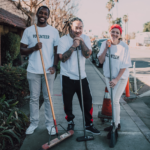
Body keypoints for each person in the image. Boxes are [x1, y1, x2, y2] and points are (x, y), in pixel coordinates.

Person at [20, 6, 60, 135]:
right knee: (34, 98)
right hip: (33, 70)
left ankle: (49, 125)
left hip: (48, 71)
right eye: (41, 13)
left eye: (45, 14)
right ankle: (33, 123)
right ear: (36, 14)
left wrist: (54, 66)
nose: (43, 15)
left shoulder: (53, 31)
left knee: (48, 98)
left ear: (48, 16)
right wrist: (33, 48)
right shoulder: (29, 30)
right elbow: (21, 50)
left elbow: (56, 51)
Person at [57, 17, 100, 135]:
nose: (78, 30)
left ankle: (88, 124)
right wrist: (73, 46)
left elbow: (87, 55)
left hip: (82, 76)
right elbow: (62, 59)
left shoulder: (85, 38)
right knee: (67, 102)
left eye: (81, 27)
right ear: (71, 27)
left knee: (87, 101)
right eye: (76, 27)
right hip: (67, 77)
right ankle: (70, 122)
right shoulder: (63, 40)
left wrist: (81, 42)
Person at [97, 24, 132, 139]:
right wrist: (107, 48)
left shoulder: (124, 47)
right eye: (113, 32)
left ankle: (115, 126)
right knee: (113, 100)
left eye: (117, 32)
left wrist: (116, 79)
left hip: (120, 78)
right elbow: (101, 61)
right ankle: (116, 123)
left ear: (120, 34)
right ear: (109, 32)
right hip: (108, 77)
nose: (115, 34)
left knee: (115, 100)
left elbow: (125, 66)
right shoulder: (104, 44)